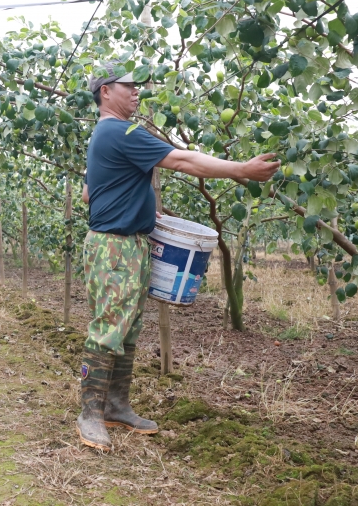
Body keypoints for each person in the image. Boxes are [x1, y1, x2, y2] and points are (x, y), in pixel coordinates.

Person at [77, 66, 279, 451]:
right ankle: (89, 413)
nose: (137, 93)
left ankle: (116, 407)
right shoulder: (121, 131)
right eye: (130, 87)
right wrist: (242, 170)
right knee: (109, 326)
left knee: (129, 327)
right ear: (106, 92)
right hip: (114, 246)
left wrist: (136, 203)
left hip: (132, 242)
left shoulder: (103, 135)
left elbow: (89, 193)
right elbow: (183, 161)